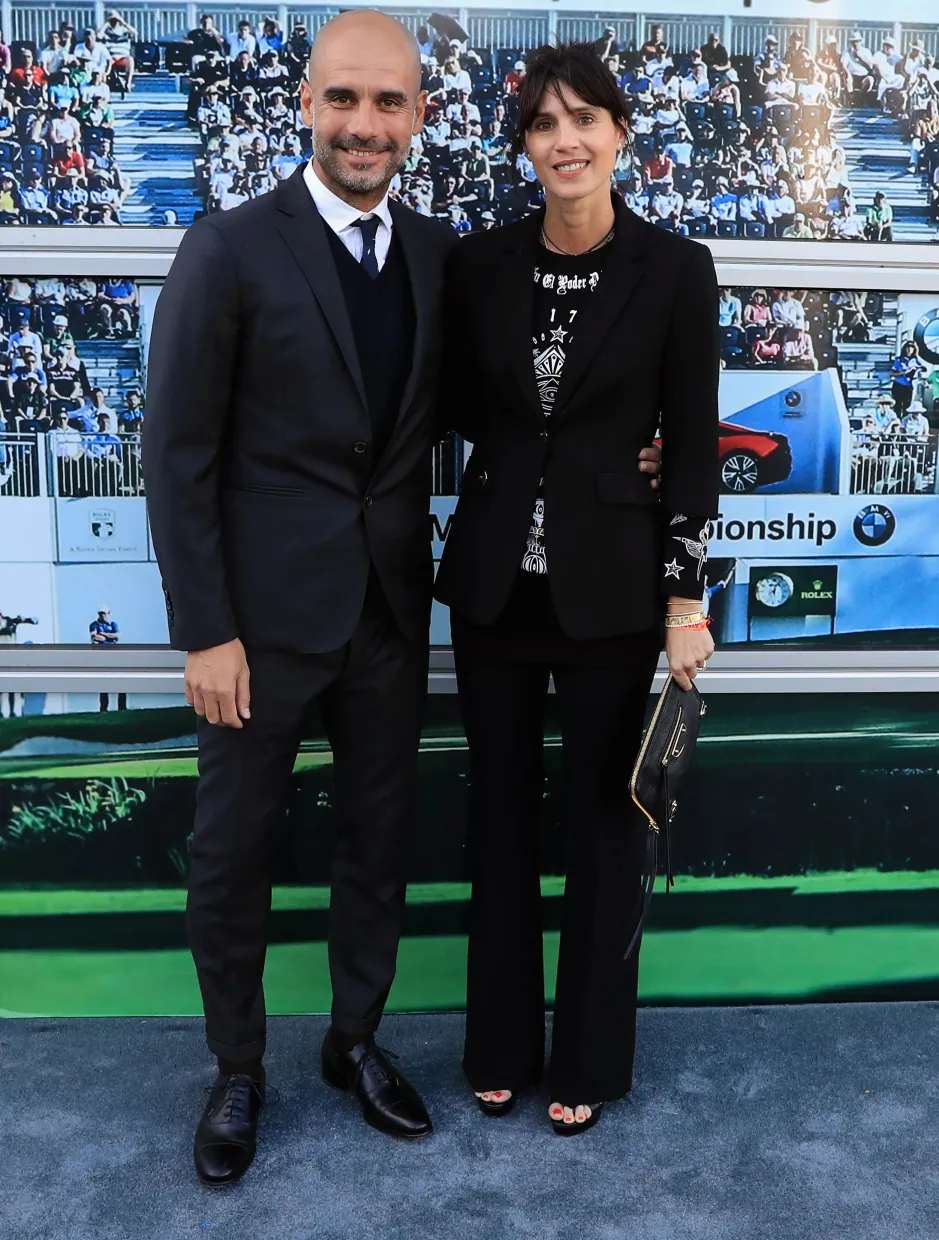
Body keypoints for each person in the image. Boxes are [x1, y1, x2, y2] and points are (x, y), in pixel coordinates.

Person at [144, 10, 670, 1185]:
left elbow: (513, 408)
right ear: (305, 104)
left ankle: (353, 1040)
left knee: (377, 843)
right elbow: (174, 455)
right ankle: (237, 1068)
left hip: (389, 614)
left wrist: (633, 448)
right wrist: (206, 630)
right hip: (258, 631)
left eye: (388, 101)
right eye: (343, 98)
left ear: (420, 115)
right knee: (231, 854)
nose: (364, 123)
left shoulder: (444, 258)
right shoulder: (228, 248)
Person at [433, 42, 718, 1137]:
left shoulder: (675, 268)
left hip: (614, 594)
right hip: (494, 592)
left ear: (620, 135)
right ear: (523, 145)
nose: (566, 141)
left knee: (605, 828)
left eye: (585, 119)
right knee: (498, 820)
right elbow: (463, 406)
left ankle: (588, 1059)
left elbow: (692, 445)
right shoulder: (480, 266)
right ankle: (499, 1046)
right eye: (545, 123)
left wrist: (684, 600)